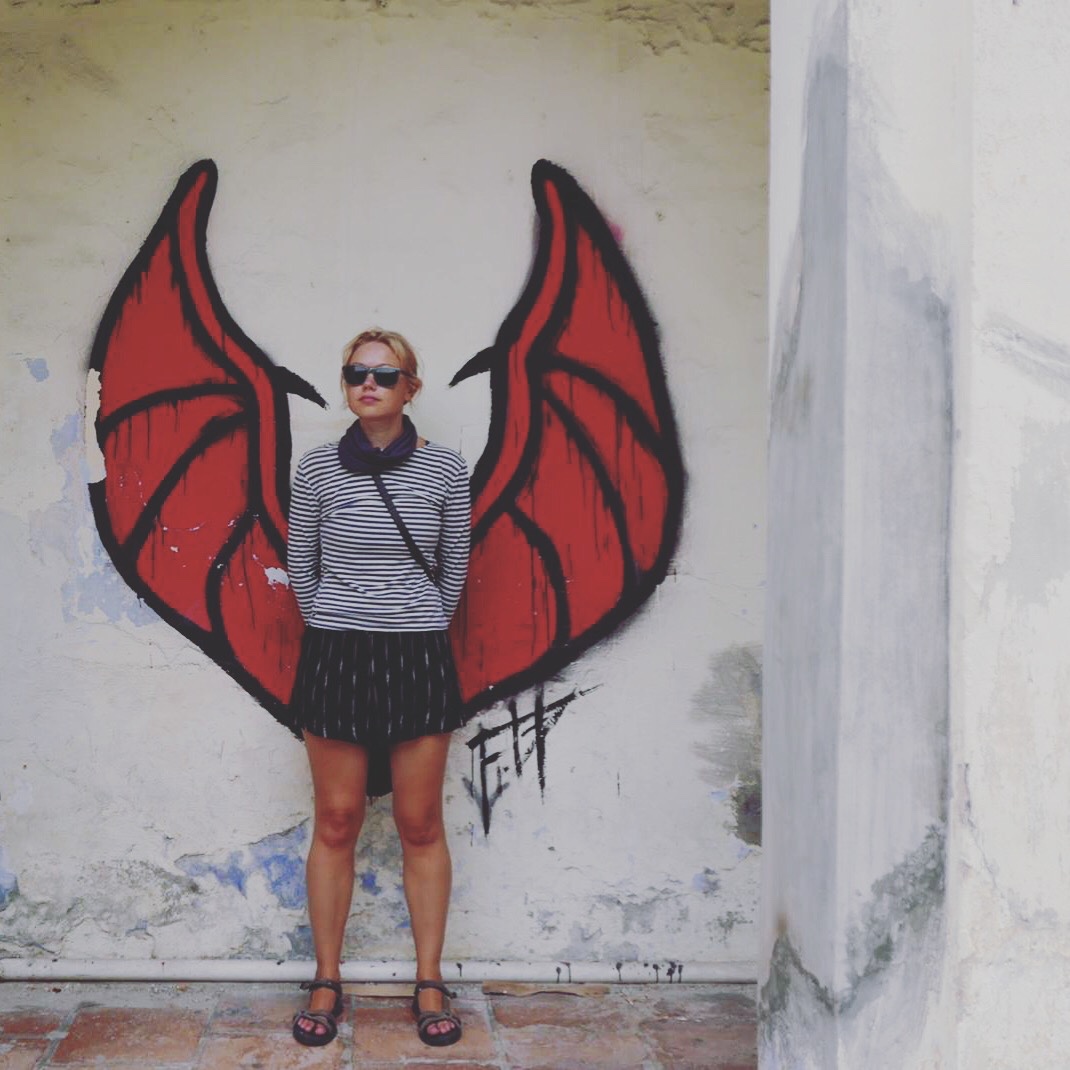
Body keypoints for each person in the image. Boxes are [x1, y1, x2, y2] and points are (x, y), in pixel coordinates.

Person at [285, 328, 471, 1048]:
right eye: (355, 373)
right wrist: (339, 620)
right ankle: (327, 978)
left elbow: (453, 570)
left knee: (420, 824)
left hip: (418, 656)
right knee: (336, 821)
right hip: (335, 656)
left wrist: (412, 620)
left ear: (410, 388)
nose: (369, 384)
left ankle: (429, 978)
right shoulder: (318, 470)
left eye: (385, 375)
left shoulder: (446, 470)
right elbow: (303, 566)